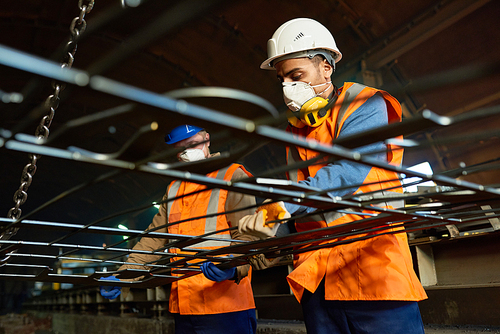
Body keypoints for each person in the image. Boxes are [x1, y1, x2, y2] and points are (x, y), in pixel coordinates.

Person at [238, 18, 428, 334]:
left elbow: (347, 174)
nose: (288, 87)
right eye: (282, 79)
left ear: (326, 67)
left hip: (373, 272)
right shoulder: (296, 133)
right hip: (319, 280)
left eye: (296, 75)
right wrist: (268, 242)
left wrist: (272, 213)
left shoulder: (363, 104)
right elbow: (301, 201)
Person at [100, 124, 258, 334]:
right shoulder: (174, 189)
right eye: (182, 148)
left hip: (226, 307)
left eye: (193, 144)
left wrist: (232, 267)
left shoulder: (233, 176)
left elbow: (250, 236)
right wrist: (123, 276)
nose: (189, 152)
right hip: (185, 308)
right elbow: (153, 240)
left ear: (207, 139)